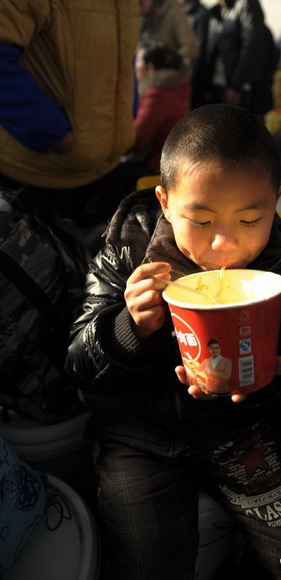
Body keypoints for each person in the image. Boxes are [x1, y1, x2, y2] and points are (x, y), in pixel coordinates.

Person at [66, 104, 281, 579]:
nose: (223, 244)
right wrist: (129, 327)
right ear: (165, 201)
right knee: (148, 565)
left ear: (277, 200)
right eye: (201, 219)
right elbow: (77, 364)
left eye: (251, 220)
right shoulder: (129, 244)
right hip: (140, 433)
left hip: (239, 431)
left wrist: (273, 381)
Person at [0, 2, 140, 424]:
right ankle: (61, 411)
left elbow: (120, 58)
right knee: (53, 311)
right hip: (39, 174)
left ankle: (94, 399)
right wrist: (57, 135)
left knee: (100, 294)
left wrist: (123, 117)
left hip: (101, 170)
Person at [123, 40, 190, 189]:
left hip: (161, 168)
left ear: (149, 68)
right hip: (179, 164)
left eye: (137, 61)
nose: (134, 66)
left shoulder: (157, 96)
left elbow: (137, 139)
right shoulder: (176, 88)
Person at [204, 0, 278, 118]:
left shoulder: (246, 4)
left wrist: (236, 85)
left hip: (237, 88)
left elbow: (251, 46)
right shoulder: (218, 9)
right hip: (218, 84)